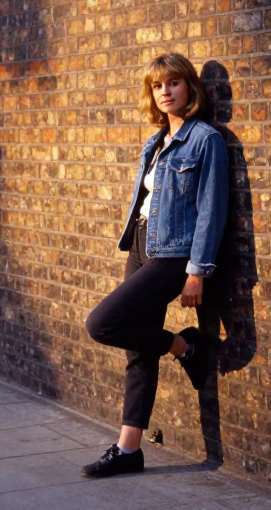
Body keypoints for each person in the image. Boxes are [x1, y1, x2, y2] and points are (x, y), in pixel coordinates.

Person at [80, 52, 229, 479]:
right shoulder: (157, 141)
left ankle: (185, 347)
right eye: (157, 86)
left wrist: (197, 270)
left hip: (173, 254)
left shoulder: (206, 140)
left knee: (101, 323)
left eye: (173, 83)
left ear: (190, 88)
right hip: (141, 246)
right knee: (137, 350)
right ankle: (129, 451)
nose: (165, 92)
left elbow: (211, 210)